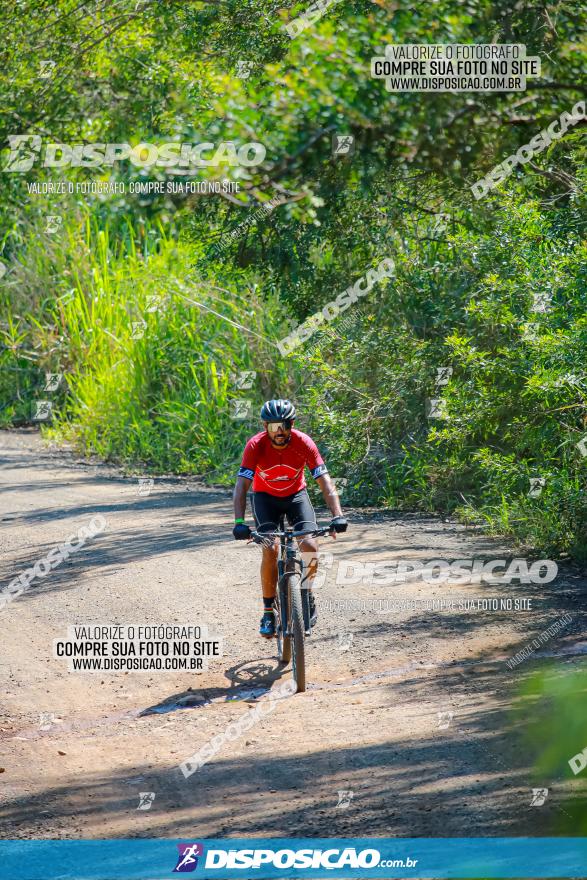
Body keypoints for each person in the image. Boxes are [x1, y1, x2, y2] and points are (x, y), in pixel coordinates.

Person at [232, 399, 348, 637]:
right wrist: (239, 523)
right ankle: (267, 611)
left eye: (284, 425)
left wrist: (338, 515)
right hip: (265, 498)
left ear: (291, 424)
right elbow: (241, 487)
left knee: (310, 545)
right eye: (273, 427)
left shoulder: (304, 443)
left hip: (296, 496)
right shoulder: (255, 445)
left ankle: (305, 593)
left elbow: (325, 483)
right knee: (270, 547)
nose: (279, 432)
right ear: (265, 426)